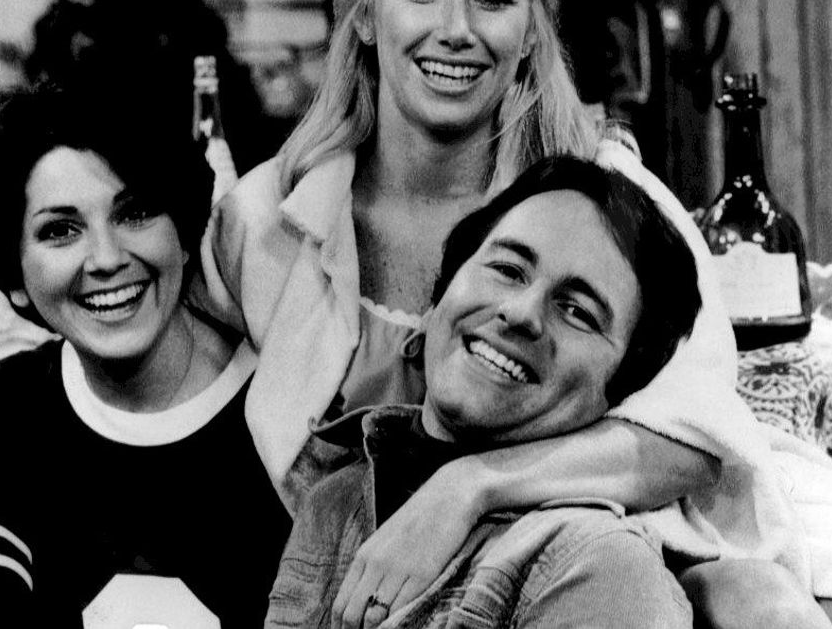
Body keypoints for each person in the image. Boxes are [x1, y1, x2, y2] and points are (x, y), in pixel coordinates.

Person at [195, 0, 832, 627]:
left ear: (533, 27)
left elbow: (695, 439)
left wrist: (470, 488)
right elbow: (176, 394)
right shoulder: (266, 223)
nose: (456, 29)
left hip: (609, 559)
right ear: (365, 11)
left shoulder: (613, 202)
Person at [265, 155, 701, 628]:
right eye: (508, 270)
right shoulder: (334, 497)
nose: (521, 312)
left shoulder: (600, 567)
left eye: (578, 312)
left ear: (617, 391)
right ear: (439, 297)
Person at [0, 87, 291, 628]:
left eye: (135, 213)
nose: (106, 258)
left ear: (183, 234)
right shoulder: (0, 410)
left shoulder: (288, 403)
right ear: (13, 276)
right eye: (60, 230)